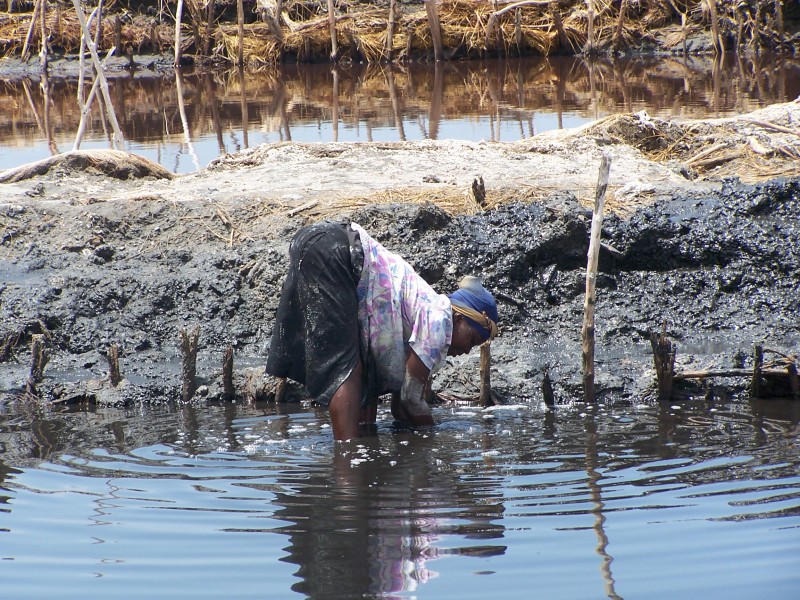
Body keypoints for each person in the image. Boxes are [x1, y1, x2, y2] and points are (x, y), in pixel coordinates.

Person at [265, 220, 499, 441]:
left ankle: (359, 445)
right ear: (458, 318)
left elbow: (399, 406)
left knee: (359, 366)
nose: (467, 350)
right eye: (472, 338)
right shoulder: (440, 319)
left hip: (316, 239)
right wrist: (431, 435)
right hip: (336, 249)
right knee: (345, 367)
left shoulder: (421, 311)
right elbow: (410, 399)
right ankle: (348, 457)